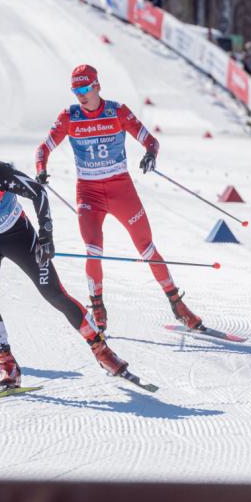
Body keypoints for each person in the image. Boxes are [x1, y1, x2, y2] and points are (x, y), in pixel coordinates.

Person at [0, 136, 130, 388]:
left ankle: (101, 350)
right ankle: (6, 363)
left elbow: (37, 191)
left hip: (17, 236)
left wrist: (46, 234)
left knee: (53, 294)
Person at [33, 64, 203, 334]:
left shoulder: (117, 111)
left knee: (147, 248)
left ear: (97, 85)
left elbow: (150, 140)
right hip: (88, 193)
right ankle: (97, 306)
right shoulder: (69, 116)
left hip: (121, 190)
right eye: (76, 90)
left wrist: (150, 154)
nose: (81, 95)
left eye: (85, 88)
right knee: (93, 250)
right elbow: (43, 148)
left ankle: (176, 303)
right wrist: (41, 171)